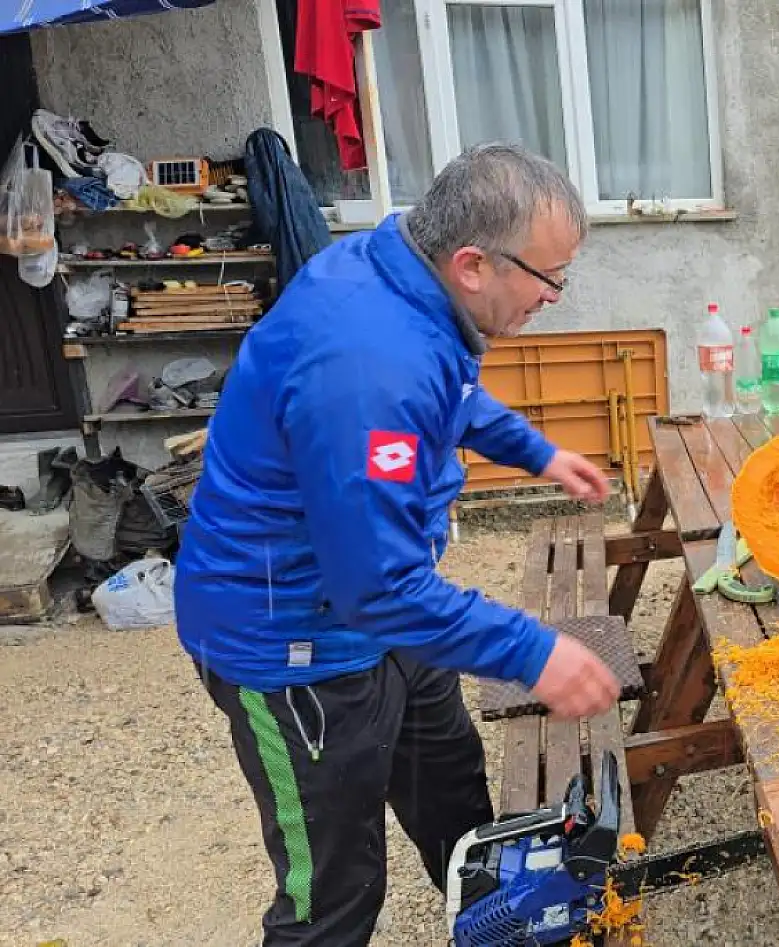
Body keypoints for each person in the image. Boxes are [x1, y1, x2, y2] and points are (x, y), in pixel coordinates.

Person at [174, 143, 622, 944]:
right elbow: (378, 587)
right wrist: (534, 651)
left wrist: (536, 451)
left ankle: (491, 923)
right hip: (294, 644)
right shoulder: (368, 367)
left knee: (455, 802)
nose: (554, 297)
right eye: (549, 277)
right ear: (473, 264)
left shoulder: (406, 275)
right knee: (333, 891)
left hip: (384, 617)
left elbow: (453, 391)